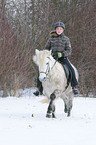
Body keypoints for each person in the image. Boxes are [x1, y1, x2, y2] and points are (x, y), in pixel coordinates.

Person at [34, 22, 79, 96]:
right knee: (42, 70)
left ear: (63, 30)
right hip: (52, 58)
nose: (59, 30)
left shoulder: (66, 39)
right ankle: (39, 89)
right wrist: (48, 54)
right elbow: (46, 49)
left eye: (60, 29)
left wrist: (62, 54)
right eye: (57, 29)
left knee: (71, 68)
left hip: (63, 58)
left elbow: (69, 50)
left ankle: (74, 86)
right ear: (55, 30)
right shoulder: (51, 39)